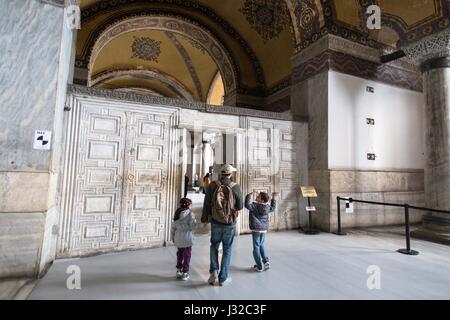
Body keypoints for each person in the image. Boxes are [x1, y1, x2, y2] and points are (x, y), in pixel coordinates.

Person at [201, 164, 243, 286]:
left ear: (220, 174)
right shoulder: (235, 187)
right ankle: (223, 277)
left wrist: (205, 218)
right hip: (229, 222)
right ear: (231, 174)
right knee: (227, 249)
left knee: (214, 245)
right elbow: (240, 206)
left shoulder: (213, 185)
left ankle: (213, 272)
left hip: (215, 221)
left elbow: (207, 203)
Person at [171, 198, 204, 281]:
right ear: (188, 205)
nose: (191, 206)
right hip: (187, 238)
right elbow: (194, 226)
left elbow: (173, 228)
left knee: (179, 254)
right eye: (191, 204)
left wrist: (173, 238)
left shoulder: (177, 213)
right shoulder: (190, 214)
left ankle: (179, 270)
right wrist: (204, 224)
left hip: (178, 237)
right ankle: (185, 273)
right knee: (187, 255)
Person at [245, 191, 277, 272]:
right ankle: (266, 262)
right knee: (261, 244)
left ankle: (259, 266)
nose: (257, 197)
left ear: (262, 200)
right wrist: (273, 198)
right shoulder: (267, 207)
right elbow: (273, 208)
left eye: (258, 196)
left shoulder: (254, 206)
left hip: (256, 228)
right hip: (263, 229)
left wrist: (249, 195)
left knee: (256, 246)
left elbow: (246, 205)